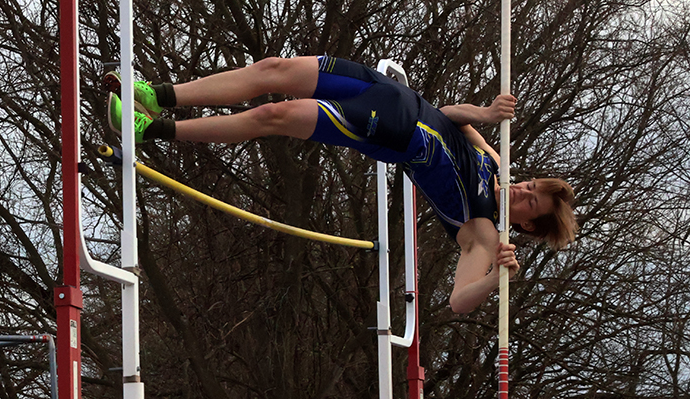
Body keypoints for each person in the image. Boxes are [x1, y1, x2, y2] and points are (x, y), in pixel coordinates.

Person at [104, 55, 578, 314]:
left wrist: (496, 279)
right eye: (531, 184)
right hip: (391, 93)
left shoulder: (483, 232)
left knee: (274, 115)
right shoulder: (497, 161)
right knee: (273, 70)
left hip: (389, 130)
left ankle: (149, 130)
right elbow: (451, 117)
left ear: (528, 225)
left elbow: (458, 302)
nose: (522, 189)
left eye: (530, 200)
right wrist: (486, 113)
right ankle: (157, 96)